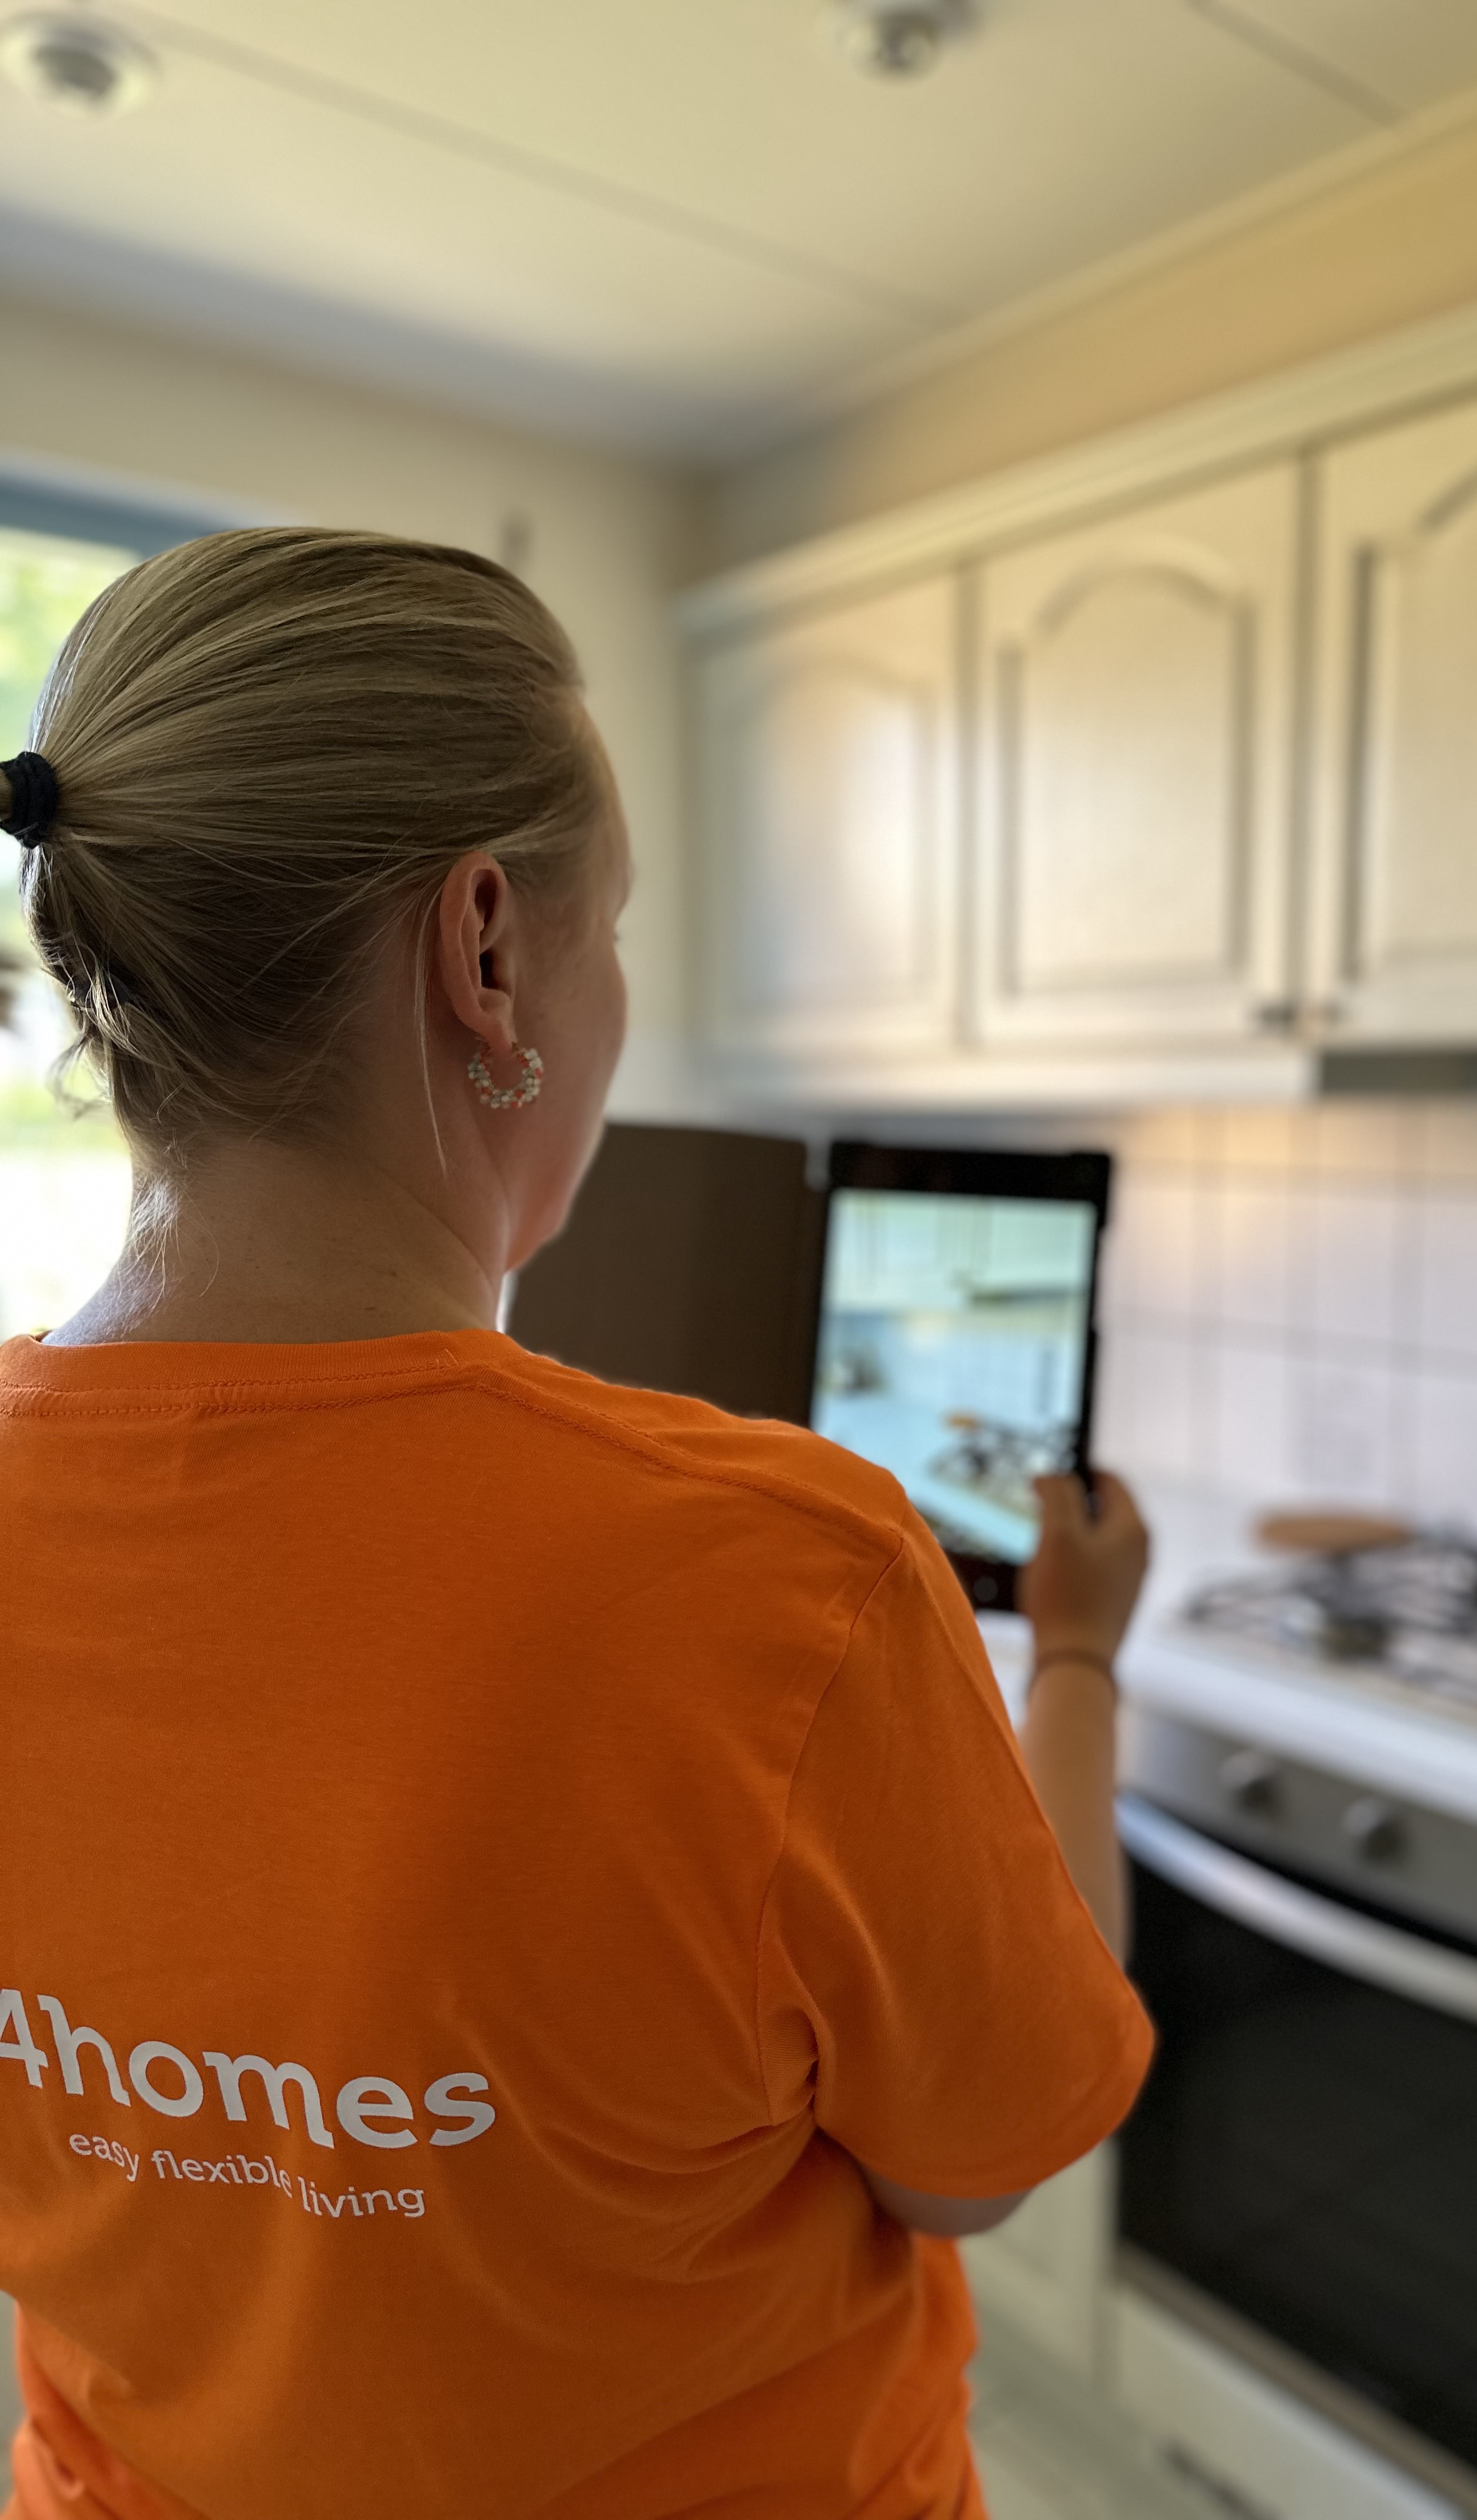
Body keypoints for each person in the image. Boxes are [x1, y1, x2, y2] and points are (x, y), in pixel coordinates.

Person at [0, 528, 1154, 2520]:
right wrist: (1071, 1661)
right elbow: (977, 2165)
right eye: (607, 926)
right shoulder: (786, 1580)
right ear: (487, 951)